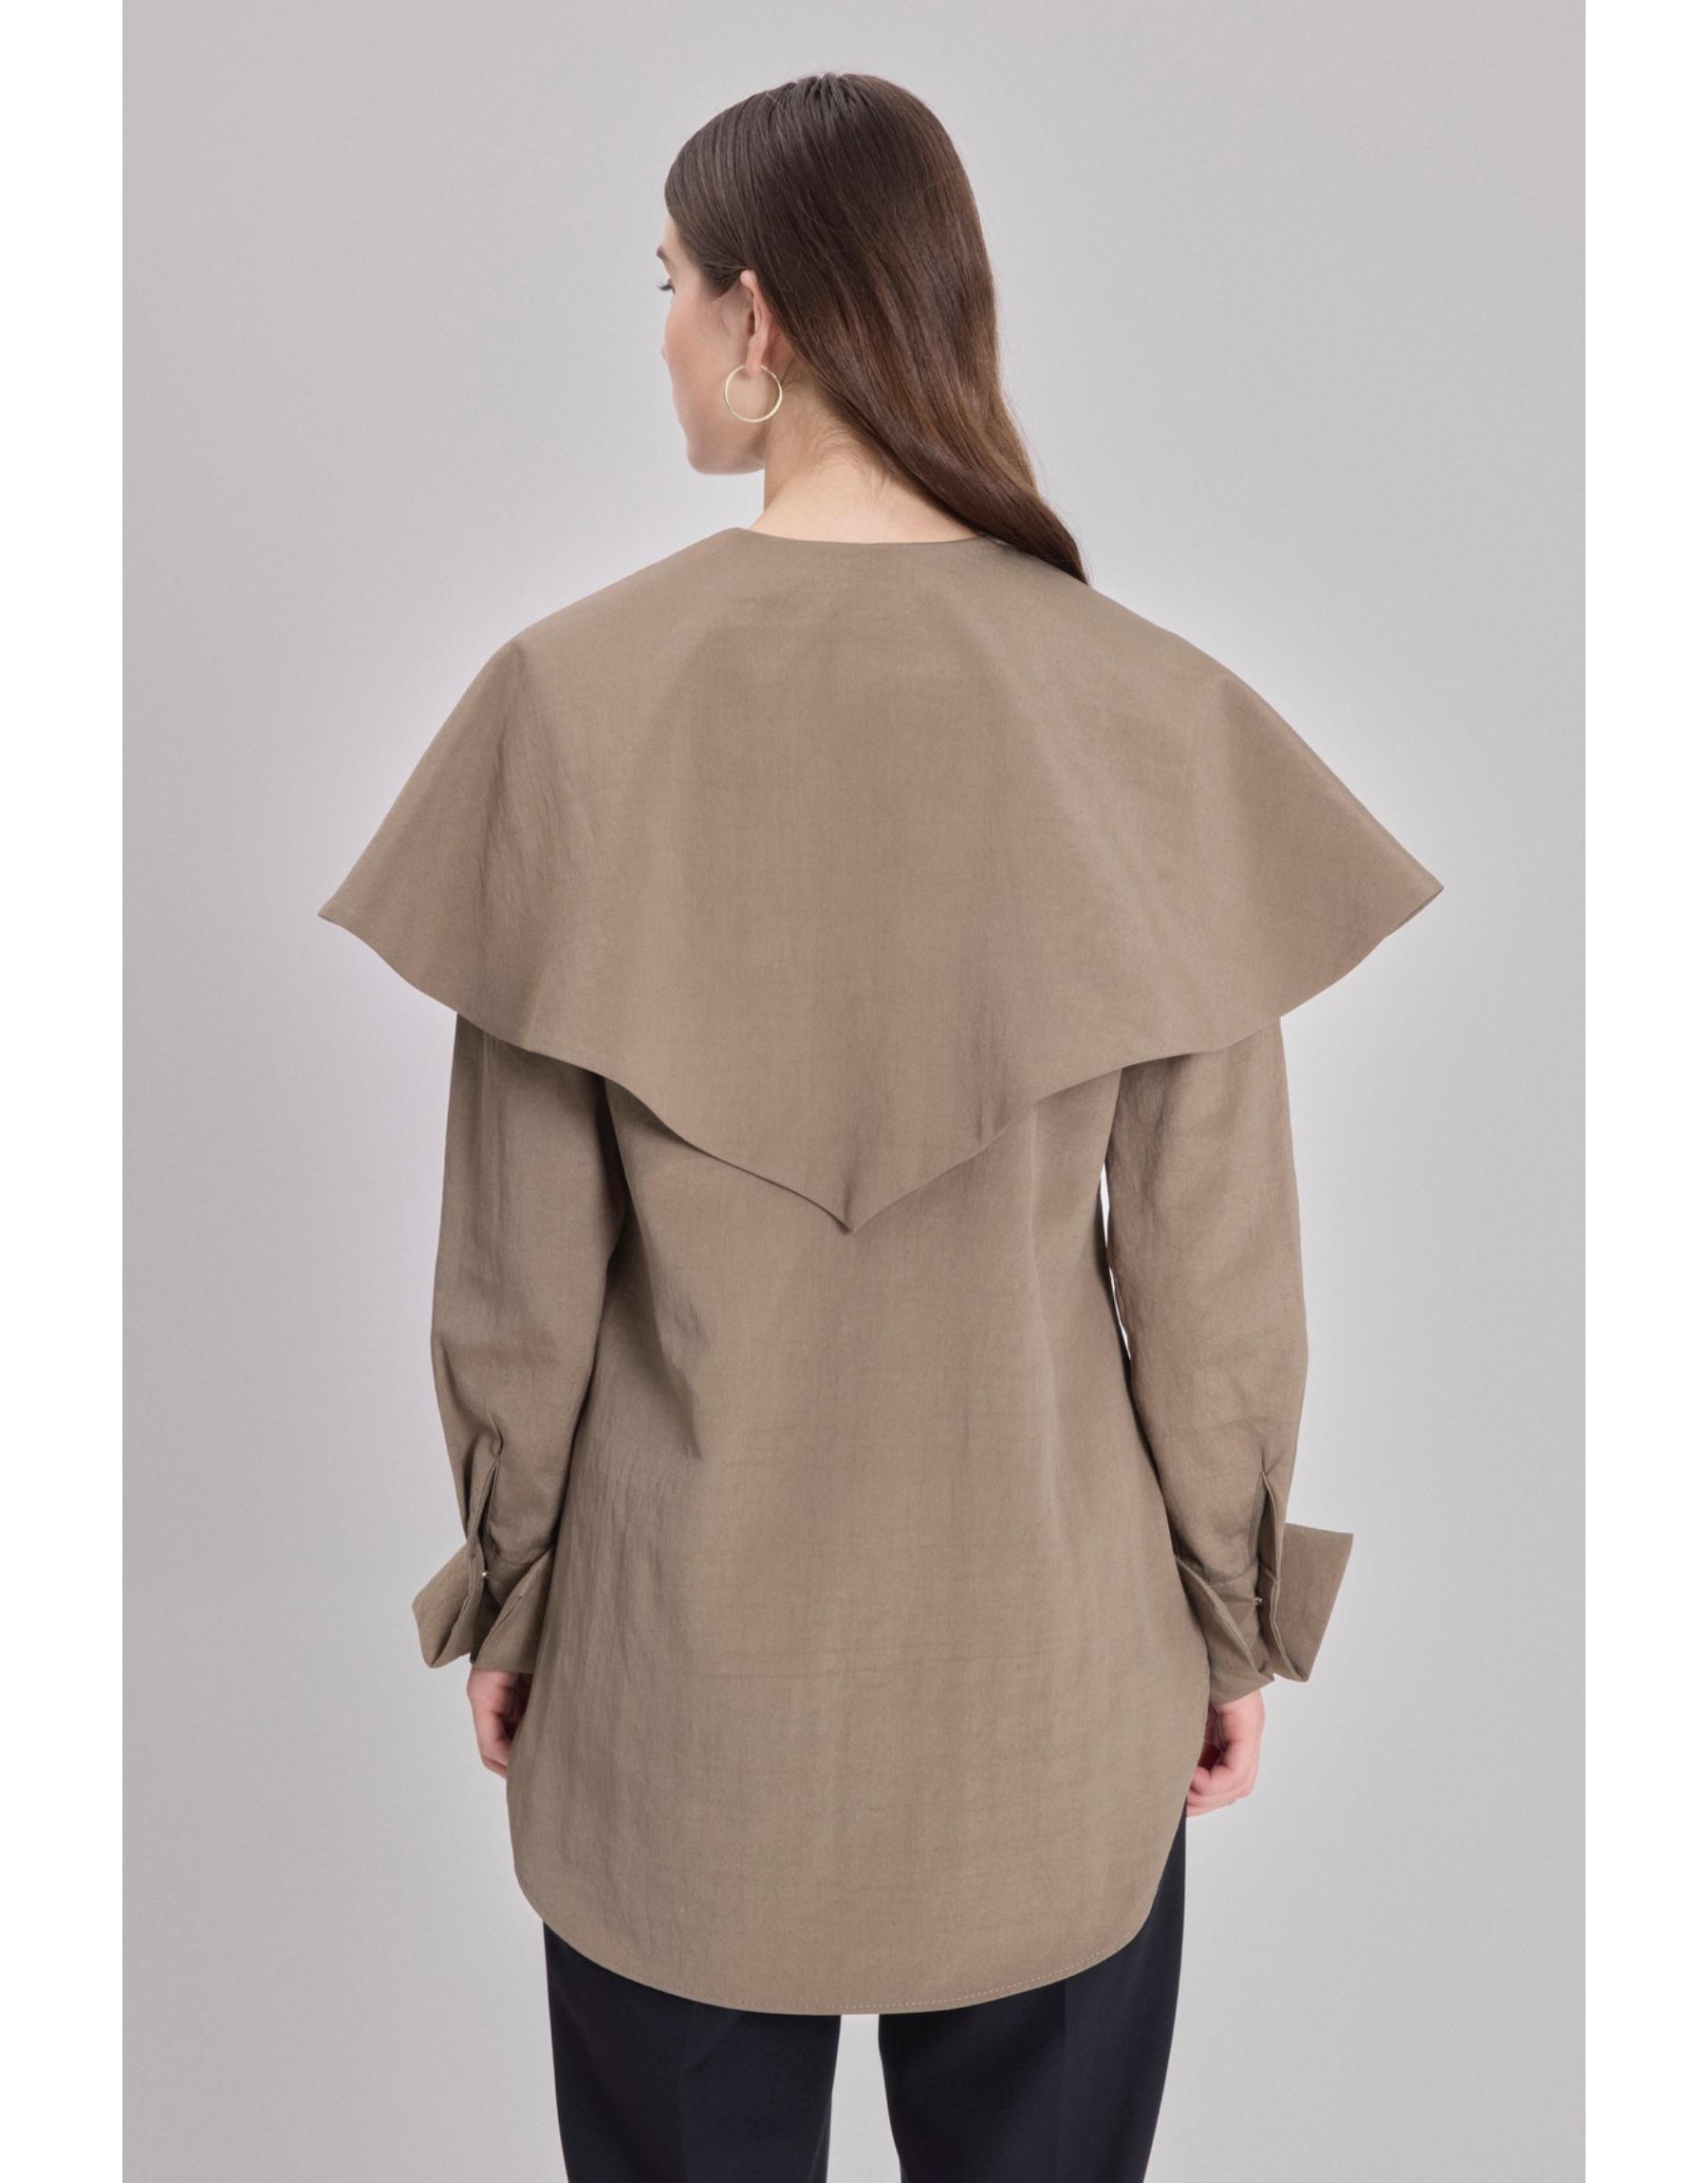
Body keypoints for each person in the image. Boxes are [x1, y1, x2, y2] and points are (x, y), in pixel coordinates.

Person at [319, 70, 1442, 2183]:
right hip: (1053, 1688)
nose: (661, 329)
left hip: (675, 1693)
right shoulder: (1148, 717)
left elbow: (515, 1279)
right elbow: (1211, 1276)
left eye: (669, 283)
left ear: (760, 318)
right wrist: (1226, 1620)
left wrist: (519, 1595)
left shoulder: (571, 708)